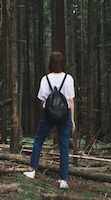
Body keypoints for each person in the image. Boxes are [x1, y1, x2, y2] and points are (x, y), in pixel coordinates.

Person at [23, 51, 76, 189]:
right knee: (64, 146)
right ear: (62, 63)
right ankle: (63, 180)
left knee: (38, 140)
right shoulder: (69, 79)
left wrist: (49, 111)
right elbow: (71, 100)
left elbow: (42, 99)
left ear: (50, 63)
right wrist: (72, 120)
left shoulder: (45, 79)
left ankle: (32, 170)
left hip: (48, 114)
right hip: (65, 115)